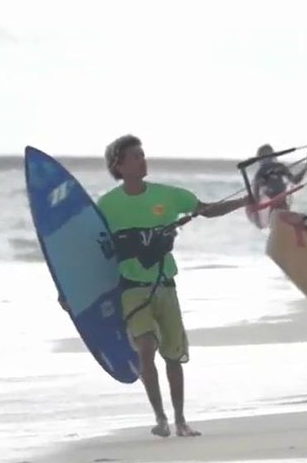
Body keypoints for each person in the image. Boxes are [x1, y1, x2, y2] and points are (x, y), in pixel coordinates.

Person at [95, 134, 249, 438]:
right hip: (132, 288)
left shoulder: (167, 196)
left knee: (173, 355)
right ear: (119, 165)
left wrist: (246, 200)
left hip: (165, 284)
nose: (143, 160)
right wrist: (68, 293)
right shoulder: (107, 206)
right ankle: (160, 418)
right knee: (146, 348)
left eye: (143, 154)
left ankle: (180, 420)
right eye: (135, 156)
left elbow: (206, 209)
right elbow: (93, 250)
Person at [251, 143, 307, 213]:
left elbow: (295, 181)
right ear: (260, 158)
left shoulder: (280, 167)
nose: (268, 159)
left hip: (283, 203)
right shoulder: (260, 173)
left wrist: (306, 168)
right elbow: (256, 194)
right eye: (265, 156)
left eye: (270, 155)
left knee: (283, 208)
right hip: (271, 206)